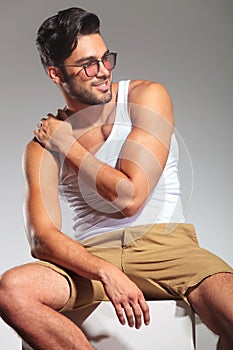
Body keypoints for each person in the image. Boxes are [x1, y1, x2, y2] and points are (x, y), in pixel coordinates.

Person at [0, 7, 232, 350]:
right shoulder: (40, 150)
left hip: (168, 248)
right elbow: (42, 239)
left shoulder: (145, 98)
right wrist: (104, 271)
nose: (103, 72)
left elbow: (130, 197)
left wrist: (68, 144)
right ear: (56, 73)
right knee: (12, 290)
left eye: (106, 58)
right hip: (92, 256)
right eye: (88, 65)